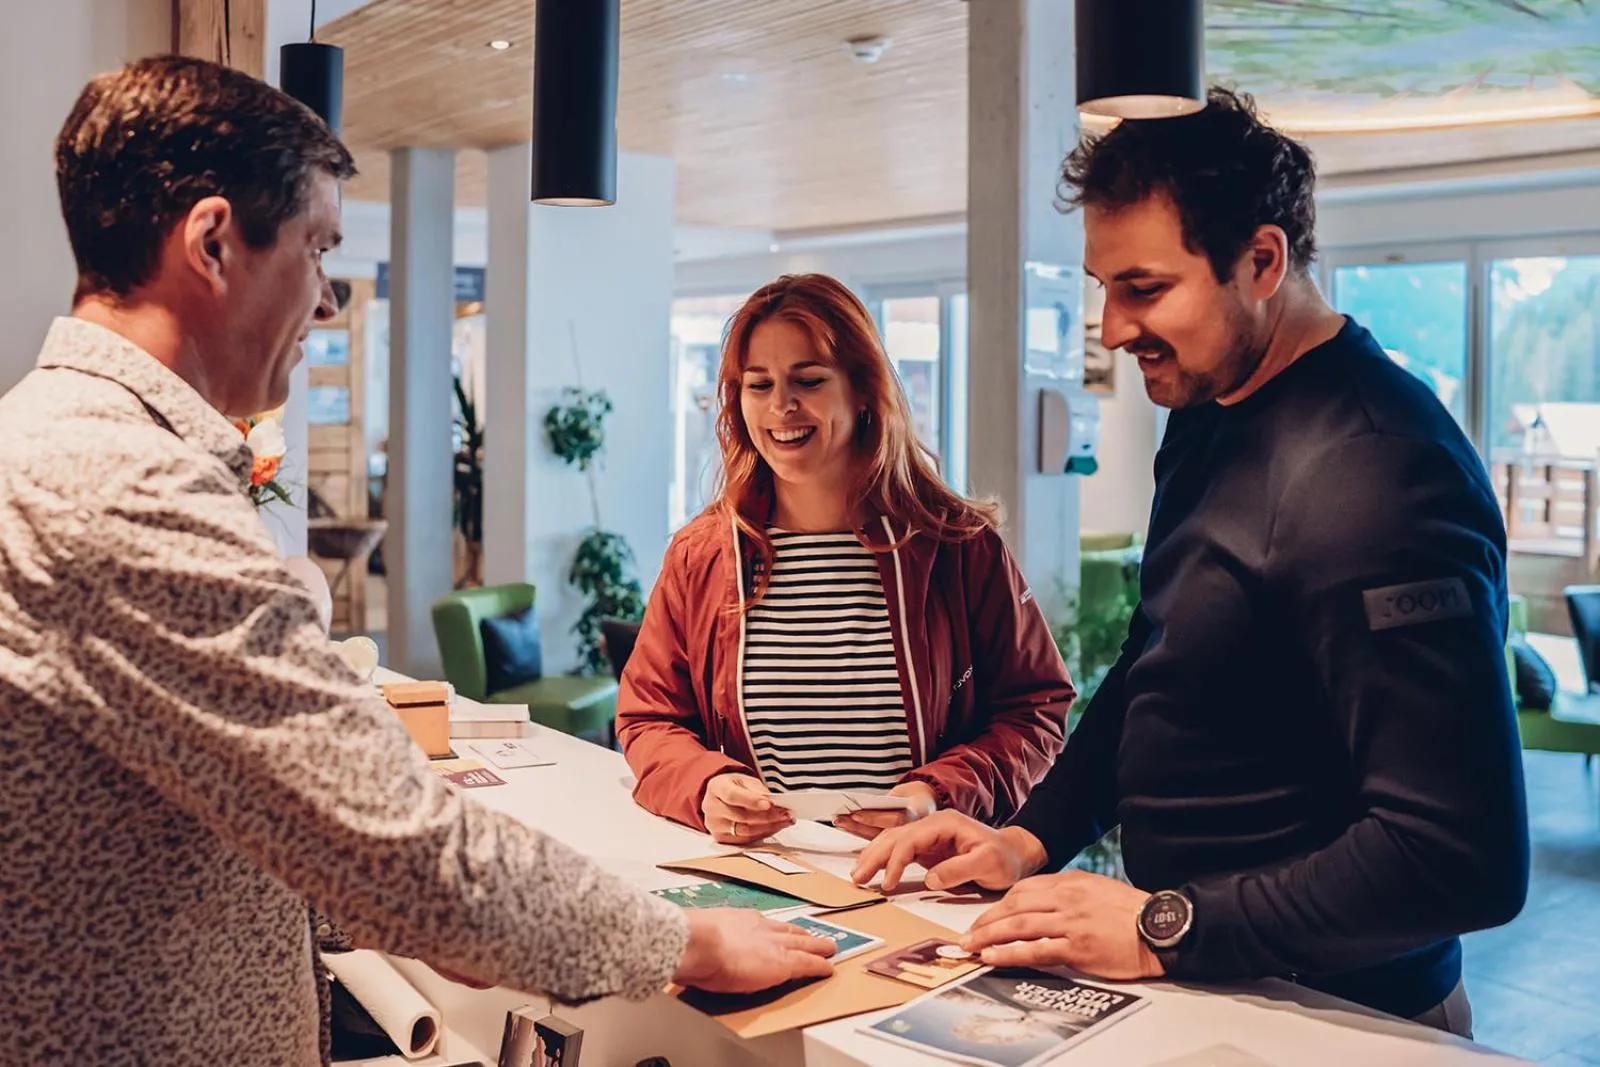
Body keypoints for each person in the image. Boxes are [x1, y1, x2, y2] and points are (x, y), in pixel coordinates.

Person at [0, 56, 833, 1067]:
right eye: (316, 252)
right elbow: (399, 848)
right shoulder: (123, 485)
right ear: (213, 242)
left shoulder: (52, 439)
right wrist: (687, 940)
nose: (326, 307)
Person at [853, 88, 1528, 1038]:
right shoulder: (1207, 415)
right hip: (1205, 981)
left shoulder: (1380, 472)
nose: (1111, 328)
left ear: (1261, 261)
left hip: (1341, 1014)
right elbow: (1158, 661)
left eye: (1144, 287)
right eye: (1102, 286)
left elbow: (1462, 856)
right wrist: (1027, 836)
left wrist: (1160, 924)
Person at [617, 273, 1075, 845]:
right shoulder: (700, 556)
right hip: (763, 876)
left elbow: (1035, 712)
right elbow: (648, 718)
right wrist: (707, 785)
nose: (782, 407)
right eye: (758, 385)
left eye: (807, 380)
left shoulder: (958, 547)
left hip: (924, 880)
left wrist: (933, 796)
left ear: (862, 390)